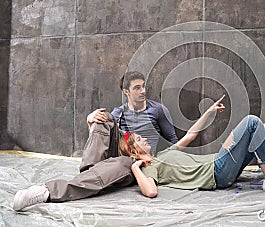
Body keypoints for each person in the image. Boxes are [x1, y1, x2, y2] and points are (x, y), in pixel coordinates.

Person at [13, 71, 179, 211]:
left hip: (141, 156)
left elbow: (172, 139)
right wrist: (90, 120)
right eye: (137, 88)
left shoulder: (157, 110)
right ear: (126, 92)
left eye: (143, 86)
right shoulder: (119, 112)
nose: (143, 91)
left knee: (123, 162)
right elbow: (103, 134)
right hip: (125, 144)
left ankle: (47, 192)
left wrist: (162, 161)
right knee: (103, 117)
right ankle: (90, 173)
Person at [120, 95, 265, 198]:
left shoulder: (164, 154)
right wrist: (135, 166)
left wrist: (208, 112)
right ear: (134, 151)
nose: (145, 140)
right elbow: (150, 192)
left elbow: (191, 135)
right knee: (252, 122)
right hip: (216, 173)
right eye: (139, 140)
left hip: (220, 163)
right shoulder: (150, 168)